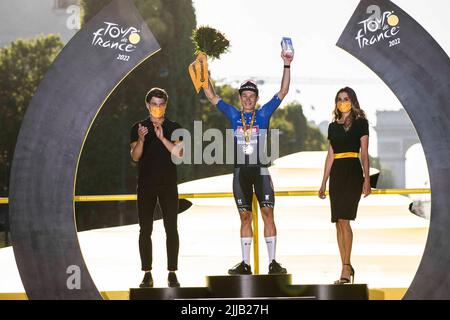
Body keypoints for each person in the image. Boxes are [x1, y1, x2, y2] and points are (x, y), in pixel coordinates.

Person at [201, 51, 293, 275]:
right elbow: (212, 96)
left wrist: (286, 64)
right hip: (240, 172)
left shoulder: (263, 114)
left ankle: (272, 263)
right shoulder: (233, 114)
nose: (248, 99)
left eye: (252, 95)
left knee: (268, 214)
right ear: (240, 98)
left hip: (261, 170)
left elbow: (283, 91)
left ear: (257, 98)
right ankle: (245, 264)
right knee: (244, 217)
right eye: (245, 95)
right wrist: (204, 69)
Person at [130, 87, 184, 288]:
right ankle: (147, 273)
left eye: (161, 104)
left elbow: (179, 154)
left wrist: (162, 138)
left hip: (168, 185)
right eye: (154, 104)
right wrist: (142, 139)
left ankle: (172, 272)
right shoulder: (138, 127)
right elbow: (135, 156)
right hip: (145, 186)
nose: (157, 107)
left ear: (165, 106)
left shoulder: (175, 126)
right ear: (147, 105)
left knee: (171, 229)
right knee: (145, 229)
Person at [318, 87, 371, 284]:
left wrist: (366, 178)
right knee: (338, 222)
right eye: (339, 99)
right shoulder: (332, 127)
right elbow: (330, 155)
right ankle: (345, 265)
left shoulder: (361, 124)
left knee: (345, 219)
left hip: (353, 172)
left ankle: (346, 268)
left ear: (353, 101)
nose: (343, 102)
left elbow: (364, 153)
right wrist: (323, 182)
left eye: (346, 98)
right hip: (337, 174)